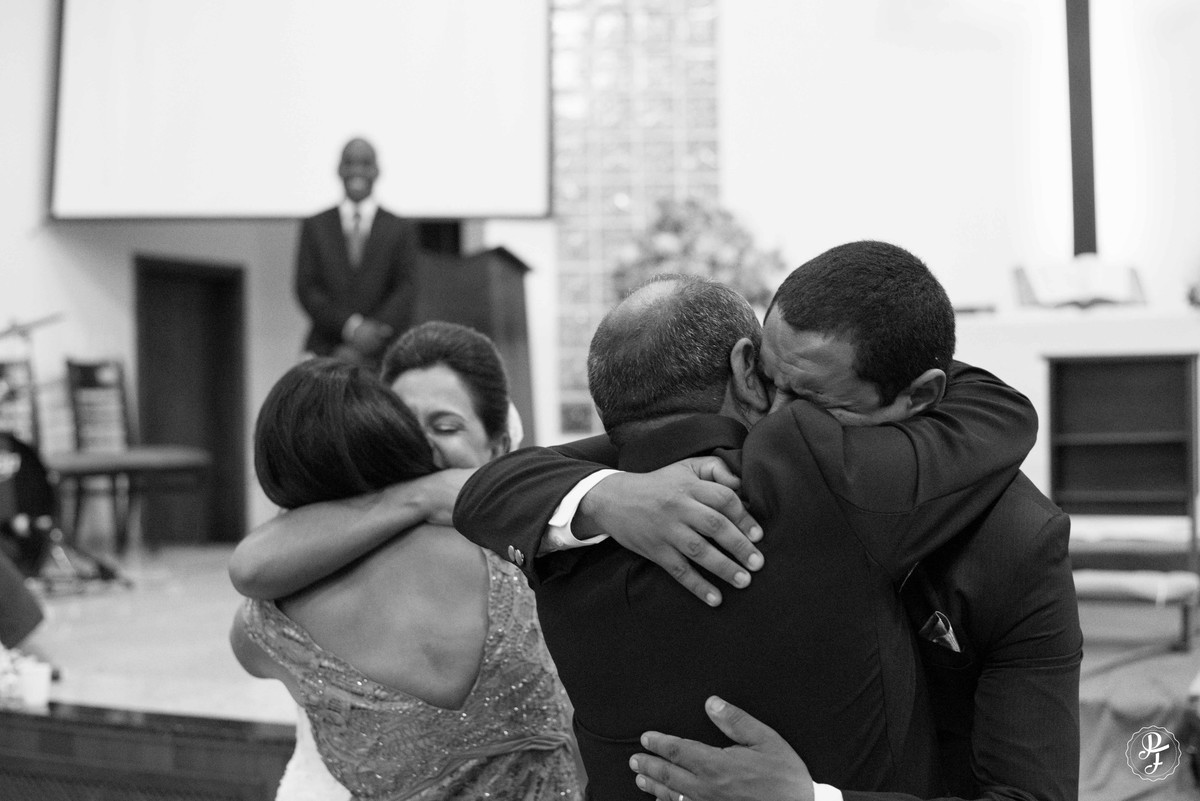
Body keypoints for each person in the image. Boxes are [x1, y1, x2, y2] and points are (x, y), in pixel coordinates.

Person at [457, 243, 1082, 801]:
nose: (775, 417)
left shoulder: (1015, 537)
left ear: (919, 398)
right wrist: (607, 498)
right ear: (746, 366)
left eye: (810, 404)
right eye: (767, 381)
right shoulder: (646, 490)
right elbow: (503, 485)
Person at [228, 351, 581, 801]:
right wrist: (419, 496)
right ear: (391, 434)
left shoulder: (264, 626)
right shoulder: (513, 555)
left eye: (446, 426)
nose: (429, 445)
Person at [294, 137, 421, 368]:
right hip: (326, 348)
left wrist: (372, 332)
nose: (357, 170)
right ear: (339, 169)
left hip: (384, 352)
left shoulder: (400, 227)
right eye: (350, 163)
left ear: (376, 170)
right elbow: (307, 288)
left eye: (365, 163)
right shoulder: (315, 225)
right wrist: (350, 327)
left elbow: (406, 288)